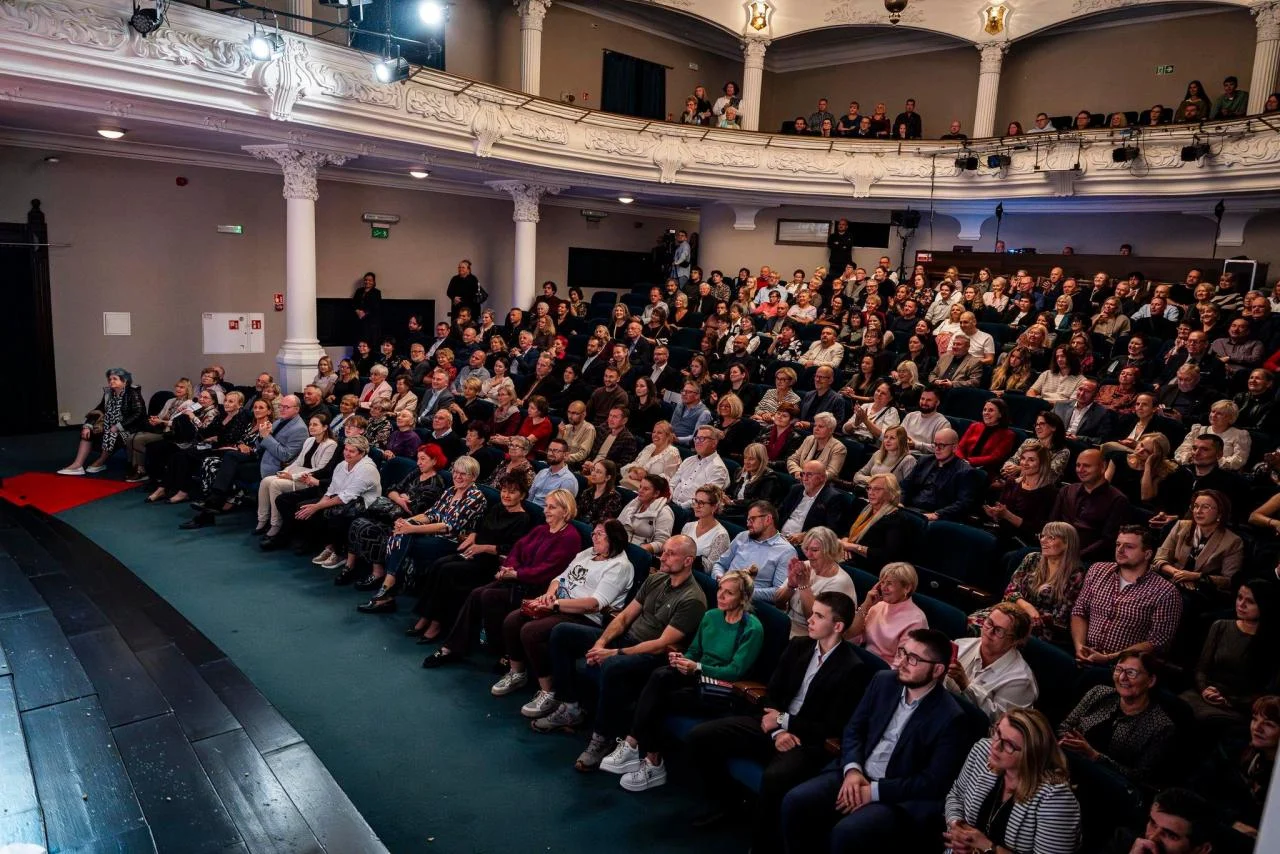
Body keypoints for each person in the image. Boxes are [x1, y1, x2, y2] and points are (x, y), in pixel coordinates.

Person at [686, 592, 870, 849]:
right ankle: (730, 802)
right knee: (700, 736)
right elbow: (771, 692)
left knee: (775, 777)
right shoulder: (799, 646)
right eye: (812, 613)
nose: (809, 619)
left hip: (806, 741)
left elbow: (833, 726)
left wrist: (784, 722)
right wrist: (777, 730)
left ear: (837, 626)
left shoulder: (852, 668)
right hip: (772, 725)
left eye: (818, 616)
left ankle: (762, 844)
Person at [779, 629, 972, 852]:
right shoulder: (883, 681)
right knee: (796, 801)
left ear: (937, 670)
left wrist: (873, 791)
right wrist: (853, 770)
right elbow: (853, 729)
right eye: (903, 652)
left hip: (895, 796)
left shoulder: (951, 718)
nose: (902, 662)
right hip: (856, 772)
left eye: (913, 659)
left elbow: (931, 781)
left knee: (847, 833)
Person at [535, 533, 706, 772]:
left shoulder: (693, 599)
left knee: (612, 666)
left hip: (652, 655)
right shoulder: (657, 579)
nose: (663, 557)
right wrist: (601, 643)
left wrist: (615, 653)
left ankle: (602, 738)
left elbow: (661, 644)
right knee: (562, 632)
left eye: (671, 554)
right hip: (626, 640)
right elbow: (625, 617)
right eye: (663, 551)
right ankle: (570, 705)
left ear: (688, 561)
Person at [598, 568, 763, 792]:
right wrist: (682, 659)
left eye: (729, 593)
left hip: (721, 690)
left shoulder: (752, 629)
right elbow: (694, 651)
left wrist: (698, 667)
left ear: (743, 598)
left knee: (659, 698)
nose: (721, 596)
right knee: (660, 675)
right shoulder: (711, 616)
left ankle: (649, 759)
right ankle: (637, 749)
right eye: (720, 589)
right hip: (697, 675)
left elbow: (735, 671)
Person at [943, 708, 1080, 854]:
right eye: (998, 733)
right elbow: (957, 794)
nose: (995, 746)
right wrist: (957, 826)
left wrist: (987, 847)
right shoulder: (982, 751)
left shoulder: (1055, 799)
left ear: (1030, 754)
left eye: (1009, 744)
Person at [1058, 651, 1175, 786]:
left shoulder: (1161, 726)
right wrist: (1068, 741)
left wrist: (1095, 756)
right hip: (1068, 767)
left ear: (1151, 680)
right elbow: (1065, 726)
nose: (1122, 677)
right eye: (1118, 670)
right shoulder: (1098, 693)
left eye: (1131, 673)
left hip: (1110, 787)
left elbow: (1140, 777)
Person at [1071, 525, 1183, 663]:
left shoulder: (1165, 592)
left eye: (1129, 547)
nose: (1120, 550)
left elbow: (1158, 642)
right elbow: (1080, 611)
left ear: (1147, 554)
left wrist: (1109, 658)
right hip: (1082, 655)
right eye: (1118, 544)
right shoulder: (1097, 570)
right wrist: (1080, 647)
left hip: (1122, 665)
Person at [1180, 580, 1276, 728]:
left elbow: (1266, 691)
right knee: (1174, 707)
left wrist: (1229, 701)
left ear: (1264, 605)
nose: (1241, 604)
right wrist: (1204, 689)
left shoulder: (1271, 641)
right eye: (1239, 597)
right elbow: (1201, 669)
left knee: (1202, 721)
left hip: (1237, 706)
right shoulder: (1221, 626)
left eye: (1250, 601)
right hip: (1204, 693)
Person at [293, 436, 382, 578]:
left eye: (352, 451)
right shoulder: (342, 465)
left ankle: (340, 553)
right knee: (309, 509)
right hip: (345, 501)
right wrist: (317, 506)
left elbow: (345, 497)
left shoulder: (367, 469)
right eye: (346, 449)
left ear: (362, 453)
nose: (347, 453)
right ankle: (329, 546)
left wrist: (316, 507)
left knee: (335, 516)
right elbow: (331, 491)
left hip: (365, 507)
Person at [254, 414, 340, 546]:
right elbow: (298, 461)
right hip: (298, 473)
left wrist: (292, 476)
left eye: (315, 425)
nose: (311, 427)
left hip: (309, 479)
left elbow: (320, 469)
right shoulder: (309, 440)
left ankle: (276, 524)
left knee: (276, 484)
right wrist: (286, 471)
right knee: (266, 481)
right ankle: (262, 519)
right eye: (310, 424)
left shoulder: (330, 444)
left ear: (325, 427)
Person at [946, 603, 1039, 719]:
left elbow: (999, 720)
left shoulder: (1021, 680)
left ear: (1014, 641)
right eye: (989, 623)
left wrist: (966, 685)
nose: (989, 632)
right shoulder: (961, 645)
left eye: (999, 630)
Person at [1153, 489, 1244, 596]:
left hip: (1201, 592)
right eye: (1195, 506)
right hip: (1169, 580)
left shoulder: (1232, 541)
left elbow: (1228, 580)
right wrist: (1180, 575)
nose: (1198, 511)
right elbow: (1159, 559)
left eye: (1205, 507)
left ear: (1220, 512)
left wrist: (1196, 577)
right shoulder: (1181, 526)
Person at [59, 367, 148, 476]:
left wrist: (118, 426)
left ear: (124, 381)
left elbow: (138, 414)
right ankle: (78, 465)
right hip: (109, 426)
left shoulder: (133, 393)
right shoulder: (109, 393)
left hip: (130, 429)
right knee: (88, 433)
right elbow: (99, 409)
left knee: (111, 434)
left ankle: (101, 461)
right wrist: (88, 425)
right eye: (109, 379)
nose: (111, 381)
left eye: (115, 379)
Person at [1051, 449, 1131, 562]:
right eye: (1078, 465)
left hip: (1087, 560)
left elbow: (1108, 541)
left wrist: (1075, 556)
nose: (1080, 470)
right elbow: (1052, 524)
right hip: (1056, 551)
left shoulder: (1118, 500)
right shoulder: (1067, 490)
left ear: (1103, 467)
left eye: (1086, 466)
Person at [713, 501, 797, 606]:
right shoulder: (742, 536)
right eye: (748, 520)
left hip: (750, 604)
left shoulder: (786, 551)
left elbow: (778, 592)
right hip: (721, 592)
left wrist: (741, 592)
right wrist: (719, 576)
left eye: (752, 519)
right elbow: (720, 564)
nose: (748, 524)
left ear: (768, 519)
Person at [777, 527, 857, 638]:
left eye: (814, 550)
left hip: (809, 636)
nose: (808, 555)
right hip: (786, 624)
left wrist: (804, 586)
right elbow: (777, 602)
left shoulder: (840, 582)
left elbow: (814, 620)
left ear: (829, 552)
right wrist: (790, 586)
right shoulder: (806, 565)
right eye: (806, 549)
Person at [984, 444, 1059, 544]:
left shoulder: (1049, 492)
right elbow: (1002, 513)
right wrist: (996, 513)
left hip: (1022, 540)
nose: (1024, 463)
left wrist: (1008, 515)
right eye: (1023, 458)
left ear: (1042, 464)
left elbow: (1039, 529)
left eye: (1031, 460)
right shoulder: (1011, 482)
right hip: (1000, 532)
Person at [902, 427, 978, 521]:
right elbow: (905, 485)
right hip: (911, 509)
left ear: (954, 448)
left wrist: (937, 514)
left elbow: (963, 503)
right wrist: (900, 503)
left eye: (941, 445)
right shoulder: (925, 461)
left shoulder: (965, 471)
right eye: (935, 444)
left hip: (936, 516)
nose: (937, 449)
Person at [1173, 400, 1251, 471]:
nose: (1214, 415)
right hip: (1192, 469)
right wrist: (1192, 460)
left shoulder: (1240, 435)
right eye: (1213, 411)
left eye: (1219, 413)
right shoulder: (1198, 430)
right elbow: (1180, 451)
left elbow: (1239, 460)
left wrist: (1210, 462)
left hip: (1221, 473)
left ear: (1230, 418)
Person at [668, 425, 730, 508]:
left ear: (714, 443)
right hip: (671, 503)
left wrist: (680, 507)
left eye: (702, 438)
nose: (697, 442)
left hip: (692, 510)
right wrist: (668, 499)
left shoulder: (718, 468)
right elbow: (672, 484)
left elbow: (706, 498)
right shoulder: (688, 460)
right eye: (696, 438)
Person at [957, 399, 1017, 478]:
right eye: (984, 410)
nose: (986, 413)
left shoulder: (1008, 435)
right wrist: (961, 461)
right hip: (962, 465)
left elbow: (995, 457)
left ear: (1000, 414)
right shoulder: (974, 426)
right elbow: (960, 447)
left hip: (984, 471)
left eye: (991, 410)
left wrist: (969, 462)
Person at [352, 272, 381, 347]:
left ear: (373, 282)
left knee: (370, 342)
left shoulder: (377, 292)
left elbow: (376, 306)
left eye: (370, 280)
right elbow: (354, 303)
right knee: (358, 341)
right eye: (366, 280)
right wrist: (357, 311)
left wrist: (365, 313)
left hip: (370, 322)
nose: (367, 282)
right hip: (359, 321)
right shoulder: (359, 291)